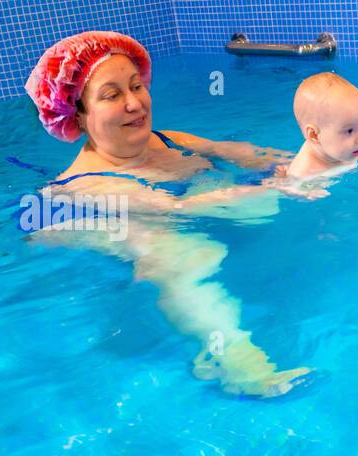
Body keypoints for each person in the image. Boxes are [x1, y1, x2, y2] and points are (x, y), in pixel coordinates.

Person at [25, 30, 317, 397]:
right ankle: (234, 361)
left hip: (176, 207)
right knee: (174, 251)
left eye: (136, 86)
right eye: (112, 95)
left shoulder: (167, 139)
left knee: (257, 211)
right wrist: (269, 189)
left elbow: (242, 153)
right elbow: (174, 208)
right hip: (76, 222)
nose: (134, 103)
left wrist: (309, 161)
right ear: (78, 115)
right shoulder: (86, 184)